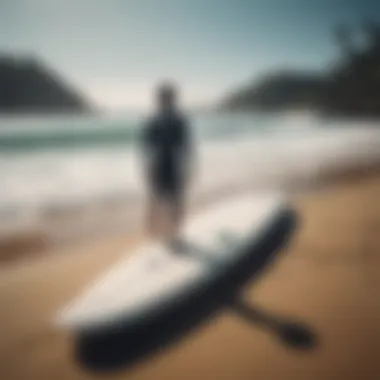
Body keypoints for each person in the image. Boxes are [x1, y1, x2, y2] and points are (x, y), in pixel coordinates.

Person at [140, 81, 193, 249]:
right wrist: (148, 168)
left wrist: (187, 168)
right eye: (164, 98)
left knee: (173, 201)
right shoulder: (155, 120)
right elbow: (147, 147)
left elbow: (186, 147)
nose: (165, 101)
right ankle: (155, 235)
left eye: (167, 97)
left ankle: (173, 234)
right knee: (158, 201)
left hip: (171, 165)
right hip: (161, 165)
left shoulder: (177, 120)